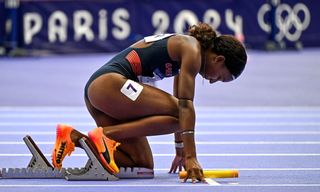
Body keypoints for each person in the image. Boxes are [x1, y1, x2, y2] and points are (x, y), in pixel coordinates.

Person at [51, 22, 247, 183]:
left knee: (140, 164)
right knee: (182, 114)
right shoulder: (192, 49)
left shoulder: (189, 55)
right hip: (108, 85)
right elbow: (185, 107)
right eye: (220, 77)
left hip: (107, 95)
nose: (213, 81)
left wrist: (180, 150)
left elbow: (181, 102)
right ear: (218, 60)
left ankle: (74, 138)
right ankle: (105, 137)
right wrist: (190, 157)